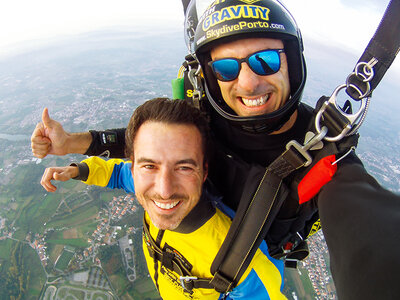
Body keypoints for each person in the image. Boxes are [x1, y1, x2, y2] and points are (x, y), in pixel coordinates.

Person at [32, 0, 400, 298]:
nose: (249, 81)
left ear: (291, 62)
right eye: (225, 68)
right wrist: (72, 149)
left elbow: (370, 240)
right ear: (209, 78)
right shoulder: (200, 119)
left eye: (265, 60)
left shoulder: (326, 154)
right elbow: (140, 155)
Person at [40, 98, 287, 299]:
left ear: (204, 172)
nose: (164, 190)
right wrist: (78, 170)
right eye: (149, 166)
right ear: (135, 167)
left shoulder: (245, 265)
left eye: (184, 168)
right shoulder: (139, 179)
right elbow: (116, 172)